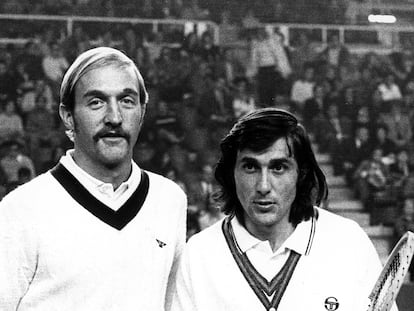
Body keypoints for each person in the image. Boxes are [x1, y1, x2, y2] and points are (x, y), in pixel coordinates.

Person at [0, 47, 187, 310]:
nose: (114, 117)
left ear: (142, 112)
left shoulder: (169, 199)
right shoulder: (20, 209)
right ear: (68, 116)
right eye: (96, 102)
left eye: (127, 101)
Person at [171, 108, 394, 311]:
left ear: (301, 173)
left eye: (278, 167)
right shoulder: (198, 254)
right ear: (232, 174)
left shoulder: (348, 240)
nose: (264, 186)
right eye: (250, 167)